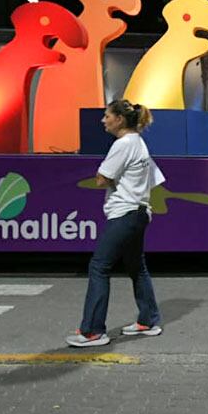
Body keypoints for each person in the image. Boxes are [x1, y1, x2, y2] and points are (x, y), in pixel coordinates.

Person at [67, 100, 165, 347]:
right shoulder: (139, 142)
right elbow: (151, 179)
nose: (103, 120)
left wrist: (110, 179)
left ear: (119, 119)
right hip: (140, 212)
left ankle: (92, 331)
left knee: (99, 267)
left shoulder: (122, 145)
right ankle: (148, 320)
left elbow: (101, 179)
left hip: (125, 214)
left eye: (107, 116)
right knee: (136, 266)